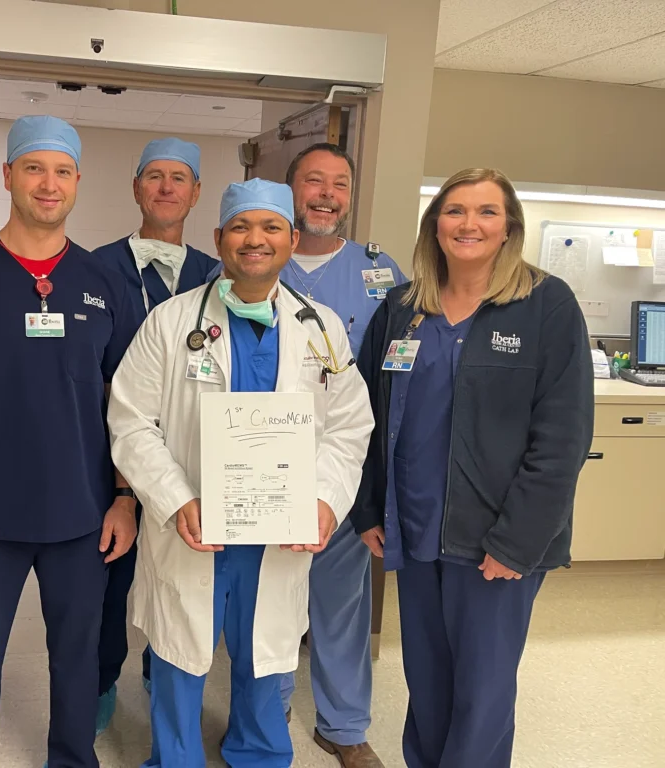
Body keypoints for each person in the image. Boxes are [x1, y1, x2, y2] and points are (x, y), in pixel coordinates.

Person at [107, 178, 374, 767]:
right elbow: (129, 422)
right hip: (193, 526)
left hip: (278, 532)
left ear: (291, 238)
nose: (256, 239)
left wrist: (326, 500)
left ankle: (258, 754)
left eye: (271, 227)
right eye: (241, 227)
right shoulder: (171, 323)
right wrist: (176, 499)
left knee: (267, 653)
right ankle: (174, 759)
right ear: (219, 239)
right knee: (181, 653)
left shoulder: (322, 327)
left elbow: (350, 427)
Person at [0, 115, 144, 768]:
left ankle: (72, 759)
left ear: (77, 183)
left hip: (83, 514)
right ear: (8, 175)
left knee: (78, 658)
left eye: (63, 171)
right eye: (35, 168)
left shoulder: (102, 285)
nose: (49, 184)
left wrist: (124, 498)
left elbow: (122, 402)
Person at [352, 168, 594, 768]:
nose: (469, 224)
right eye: (455, 210)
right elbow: (364, 417)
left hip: (495, 539)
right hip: (414, 528)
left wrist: (518, 541)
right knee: (428, 683)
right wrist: (367, 508)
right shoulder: (403, 307)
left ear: (509, 225)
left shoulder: (545, 304)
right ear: (435, 225)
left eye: (487, 211)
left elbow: (562, 437)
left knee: (482, 694)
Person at [279, 142, 407, 766]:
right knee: (268, 603)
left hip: (348, 472)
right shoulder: (255, 255)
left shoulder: (382, 274)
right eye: (313, 181)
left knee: (343, 604)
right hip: (265, 468)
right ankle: (267, 715)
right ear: (290, 190)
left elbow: (404, 378)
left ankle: (344, 725)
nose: (327, 194)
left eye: (339, 183)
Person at [89, 137, 218, 730]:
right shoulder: (93, 269)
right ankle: (99, 684)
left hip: (193, 460)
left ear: (195, 194)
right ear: (136, 187)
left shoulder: (218, 276)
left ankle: (160, 672)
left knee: (180, 578)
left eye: (179, 179)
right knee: (109, 583)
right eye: (154, 177)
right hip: (108, 455)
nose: (166, 187)